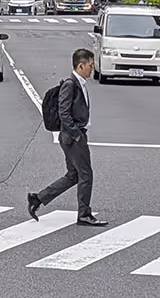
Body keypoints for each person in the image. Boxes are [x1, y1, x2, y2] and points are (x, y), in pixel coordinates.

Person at [27, 48, 107, 227]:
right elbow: (64, 112)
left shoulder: (79, 83)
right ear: (80, 65)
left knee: (73, 175)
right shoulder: (71, 84)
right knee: (86, 174)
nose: (92, 69)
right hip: (73, 138)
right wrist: (76, 134)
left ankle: (38, 199)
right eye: (90, 66)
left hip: (73, 136)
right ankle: (84, 214)